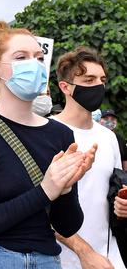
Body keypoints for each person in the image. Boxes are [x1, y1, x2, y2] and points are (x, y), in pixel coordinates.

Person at [0, 22, 96, 268]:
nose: (34, 64)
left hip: (47, 259)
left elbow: (68, 225)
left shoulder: (60, 134)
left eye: (39, 58)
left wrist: (66, 188)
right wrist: (45, 191)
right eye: (21, 57)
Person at [52, 47, 126, 269]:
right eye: (88, 79)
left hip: (108, 256)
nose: (98, 86)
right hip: (61, 259)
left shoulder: (109, 137)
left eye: (101, 79)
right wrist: (84, 252)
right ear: (65, 87)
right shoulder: (47, 132)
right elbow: (38, 207)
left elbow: (113, 192)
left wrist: (122, 206)